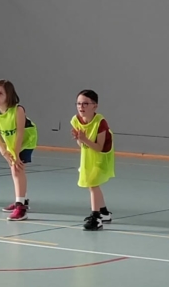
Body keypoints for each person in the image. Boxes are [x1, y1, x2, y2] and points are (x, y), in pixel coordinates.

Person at [0, 79, 38, 221]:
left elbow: (20, 132)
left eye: (1, 93)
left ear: (9, 95)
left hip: (26, 139)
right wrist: (4, 152)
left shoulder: (18, 110)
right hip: (10, 140)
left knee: (17, 168)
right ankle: (23, 199)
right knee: (14, 168)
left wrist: (15, 154)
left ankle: (20, 206)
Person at [70, 89, 115, 231]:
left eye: (85, 104)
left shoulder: (101, 123)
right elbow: (82, 145)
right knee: (92, 185)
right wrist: (79, 139)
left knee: (93, 184)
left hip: (101, 157)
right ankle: (104, 213)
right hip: (87, 157)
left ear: (94, 106)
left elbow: (98, 147)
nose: (81, 107)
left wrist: (84, 139)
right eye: (78, 103)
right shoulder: (76, 120)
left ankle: (96, 217)